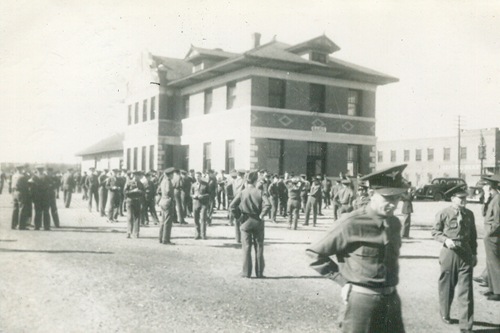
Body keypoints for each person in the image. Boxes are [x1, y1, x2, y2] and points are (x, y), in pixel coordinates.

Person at [306, 164, 409, 333]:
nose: (393, 204)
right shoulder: (352, 222)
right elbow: (314, 253)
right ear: (371, 194)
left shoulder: (395, 224)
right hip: (362, 302)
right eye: (387, 198)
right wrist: (342, 281)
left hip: (391, 300)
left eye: (397, 198)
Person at [432, 191, 477, 332]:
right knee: (447, 286)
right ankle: (445, 313)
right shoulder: (443, 213)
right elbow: (435, 232)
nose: (464, 200)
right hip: (449, 252)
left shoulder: (469, 214)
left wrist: (474, 253)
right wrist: (445, 239)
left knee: (466, 289)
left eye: (465, 198)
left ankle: (466, 326)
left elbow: (473, 236)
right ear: (453, 198)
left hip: (465, 252)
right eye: (461, 198)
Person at [230, 170, 271, 278]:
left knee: (246, 247)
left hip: (246, 221)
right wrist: (262, 214)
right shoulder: (260, 192)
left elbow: (232, 206)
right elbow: (268, 204)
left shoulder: (242, 192)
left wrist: (239, 217)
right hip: (258, 221)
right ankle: (259, 272)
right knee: (259, 247)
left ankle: (246, 272)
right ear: (255, 180)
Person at [481, 174, 500, 301]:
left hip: (493, 236)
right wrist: (485, 199)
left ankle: (498, 292)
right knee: (490, 262)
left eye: (486, 185)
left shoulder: (498, 199)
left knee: (495, 263)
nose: (484, 187)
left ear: (491, 186)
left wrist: (489, 233)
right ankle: (492, 288)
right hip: (489, 235)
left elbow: (498, 220)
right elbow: (483, 213)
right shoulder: (492, 198)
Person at [124, 170, 145, 238]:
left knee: (137, 217)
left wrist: (140, 192)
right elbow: (125, 192)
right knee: (130, 217)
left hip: (137, 201)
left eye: (139, 176)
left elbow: (143, 193)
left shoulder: (140, 183)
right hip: (130, 201)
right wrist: (133, 191)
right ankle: (129, 232)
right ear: (134, 176)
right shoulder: (129, 182)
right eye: (136, 176)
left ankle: (136, 233)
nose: (138, 177)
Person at [158, 167, 176, 244]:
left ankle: (161, 238)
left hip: (162, 201)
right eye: (173, 174)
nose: (173, 176)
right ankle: (166, 239)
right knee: (168, 222)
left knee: (163, 221)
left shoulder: (163, 181)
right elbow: (168, 191)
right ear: (170, 175)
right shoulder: (168, 181)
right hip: (168, 201)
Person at [31, 166, 51, 231]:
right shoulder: (46, 177)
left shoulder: (34, 177)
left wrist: (32, 197)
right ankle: (46, 226)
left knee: (38, 212)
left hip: (37, 197)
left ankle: (37, 226)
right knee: (46, 212)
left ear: (37, 170)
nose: (40, 171)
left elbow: (31, 188)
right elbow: (51, 185)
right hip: (45, 197)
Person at [191, 171, 210, 240]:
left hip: (203, 204)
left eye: (198, 176)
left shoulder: (205, 184)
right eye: (196, 177)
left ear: (201, 177)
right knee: (196, 219)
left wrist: (203, 196)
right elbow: (191, 193)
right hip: (195, 203)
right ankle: (197, 234)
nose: (197, 178)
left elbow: (209, 194)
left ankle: (203, 234)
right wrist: (193, 196)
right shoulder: (193, 185)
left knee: (203, 219)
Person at [11, 164, 30, 230]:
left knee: (15, 209)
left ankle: (13, 225)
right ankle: (21, 225)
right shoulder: (23, 176)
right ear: (21, 169)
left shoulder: (14, 176)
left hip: (15, 192)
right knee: (22, 209)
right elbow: (26, 186)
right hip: (21, 192)